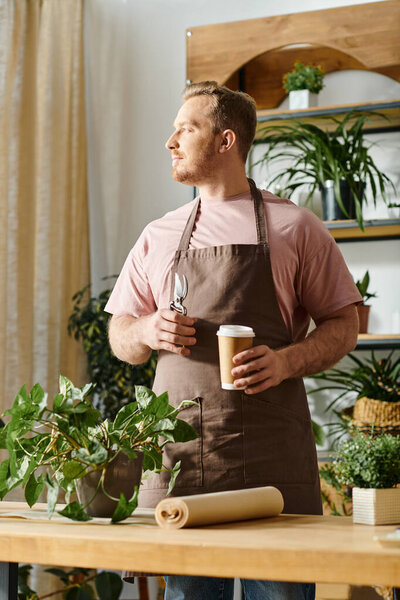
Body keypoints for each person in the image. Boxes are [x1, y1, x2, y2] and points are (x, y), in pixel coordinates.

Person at [105, 81, 361, 600]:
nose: (171, 141)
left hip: (273, 463)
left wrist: (288, 361)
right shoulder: (158, 234)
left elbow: (344, 324)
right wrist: (147, 329)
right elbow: (121, 337)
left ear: (225, 141)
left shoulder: (296, 227)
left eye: (186, 129)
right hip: (183, 460)